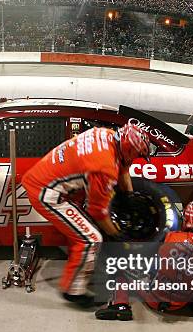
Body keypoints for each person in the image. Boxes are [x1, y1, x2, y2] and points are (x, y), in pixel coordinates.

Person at [22, 123, 151, 306]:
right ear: (130, 150)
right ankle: (72, 291)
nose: (136, 159)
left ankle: (82, 267)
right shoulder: (104, 167)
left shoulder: (108, 134)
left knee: (88, 228)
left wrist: (129, 196)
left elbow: (122, 165)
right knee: (91, 238)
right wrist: (118, 235)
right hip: (46, 193)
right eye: (137, 155)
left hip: (46, 177)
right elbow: (97, 211)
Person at [96, 200, 193, 321]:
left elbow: (151, 258)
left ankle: (119, 305)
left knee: (120, 265)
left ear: (188, 219)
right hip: (179, 305)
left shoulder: (172, 236)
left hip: (153, 297)